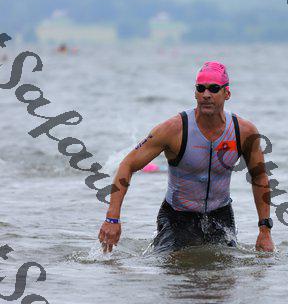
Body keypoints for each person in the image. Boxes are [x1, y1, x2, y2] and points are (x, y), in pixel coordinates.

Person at [98, 61, 274, 253]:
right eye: (201, 88)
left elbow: (259, 177)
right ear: (195, 93)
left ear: (227, 93)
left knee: (224, 269)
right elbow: (128, 164)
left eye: (214, 88)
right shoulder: (173, 130)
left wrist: (264, 230)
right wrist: (112, 219)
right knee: (175, 268)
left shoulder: (244, 132)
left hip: (220, 216)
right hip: (176, 218)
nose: (206, 94)